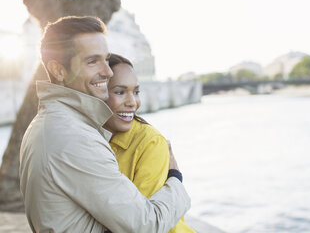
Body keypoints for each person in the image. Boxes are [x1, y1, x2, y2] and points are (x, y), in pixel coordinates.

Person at [19, 16, 191, 233]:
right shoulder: (74, 137)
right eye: (93, 61)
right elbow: (145, 225)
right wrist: (175, 179)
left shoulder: (47, 124)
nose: (107, 71)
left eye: (106, 59)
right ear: (58, 70)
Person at [104, 54, 195, 233]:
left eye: (136, 92)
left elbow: (144, 225)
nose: (133, 102)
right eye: (120, 92)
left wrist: (176, 178)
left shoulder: (151, 143)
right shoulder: (88, 140)